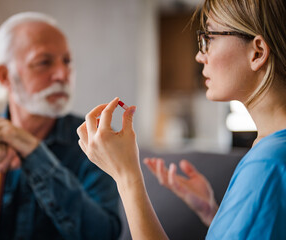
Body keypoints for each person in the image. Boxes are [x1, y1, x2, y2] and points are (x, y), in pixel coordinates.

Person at [77, 0, 286, 239]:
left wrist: (126, 176)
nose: (199, 56)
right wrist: (214, 213)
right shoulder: (271, 148)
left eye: (209, 38)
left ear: (257, 52)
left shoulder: (269, 164)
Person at [0, 12, 121, 240]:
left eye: (67, 61)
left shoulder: (94, 140)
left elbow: (105, 235)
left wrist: (35, 153)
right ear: (4, 76)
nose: (62, 74)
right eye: (44, 62)